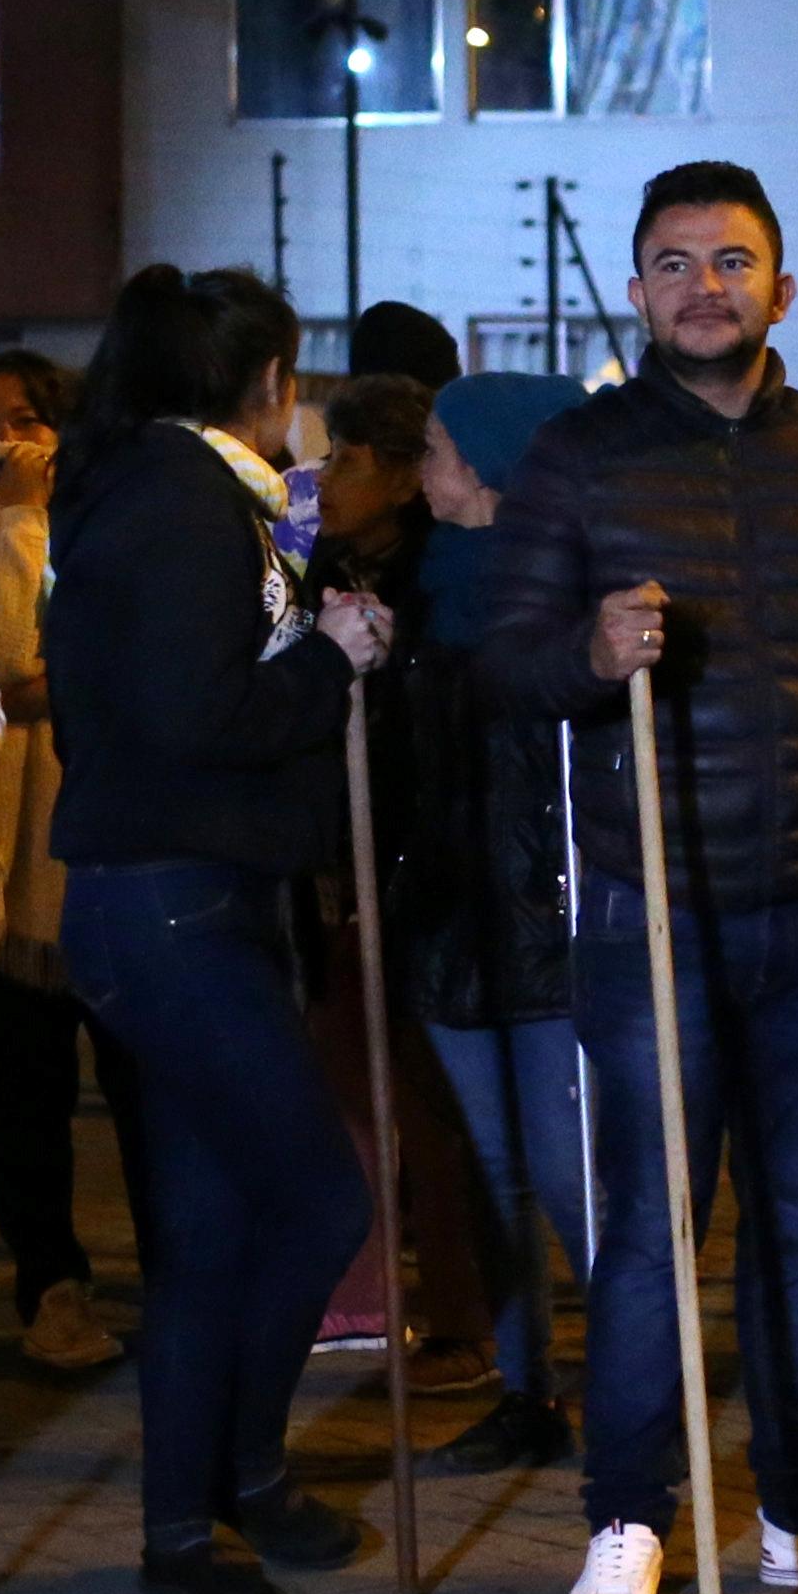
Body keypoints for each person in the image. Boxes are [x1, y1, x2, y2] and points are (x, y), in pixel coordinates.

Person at [480, 159, 798, 1594]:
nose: (704, 287)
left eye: (731, 261)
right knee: (649, 1234)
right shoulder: (578, 456)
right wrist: (587, 656)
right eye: (674, 263)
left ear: (783, 289)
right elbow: (500, 663)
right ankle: (627, 1514)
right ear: (635, 290)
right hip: (649, 903)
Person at [40, 267, 401, 1594]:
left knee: (203, 1229)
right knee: (316, 1203)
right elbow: (199, 708)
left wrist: (313, 609)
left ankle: (195, 1515)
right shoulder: (182, 509)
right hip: (175, 899)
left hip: (190, 892)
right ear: (265, 382)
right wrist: (332, 664)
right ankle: (231, 1481)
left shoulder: (177, 494)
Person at [0, 348, 149, 1373]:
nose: (6, 441)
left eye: (26, 418)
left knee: (146, 1084)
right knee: (24, 1093)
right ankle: (51, 1287)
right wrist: (12, 523)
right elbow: (4, 668)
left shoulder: (118, 524)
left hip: (109, 843)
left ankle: (178, 1281)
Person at [403, 372, 589, 1474]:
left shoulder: (562, 600)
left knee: (575, 1181)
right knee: (497, 1172)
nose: (423, 468)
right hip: (455, 920)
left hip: (551, 923)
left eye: (434, 447)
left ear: (488, 466)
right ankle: (530, 1393)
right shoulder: (425, 590)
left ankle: (634, 1400)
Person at [296, 371, 497, 1377]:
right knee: (351, 1093)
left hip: (427, 869)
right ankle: (374, 1297)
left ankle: (466, 1318)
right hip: (339, 863)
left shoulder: (445, 580)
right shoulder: (321, 570)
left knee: (434, 1103)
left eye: (347, 458)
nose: (326, 477)